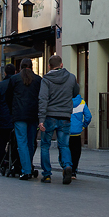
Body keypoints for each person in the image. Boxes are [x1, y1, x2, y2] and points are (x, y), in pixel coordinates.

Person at [38, 55, 78, 184]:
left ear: (49, 66)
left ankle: (47, 174)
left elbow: (43, 99)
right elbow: (75, 92)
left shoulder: (46, 80)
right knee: (64, 145)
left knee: (45, 145)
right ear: (61, 64)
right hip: (65, 116)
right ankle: (67, 166)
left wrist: (41, 119)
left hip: (50, 116)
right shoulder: (71, 77)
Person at [4, 59, 41, 180]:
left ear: (20, 67)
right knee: (31, 142)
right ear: (32, 66)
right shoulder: (38, 80)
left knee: (22, 143)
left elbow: (8, 97)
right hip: (34, 115)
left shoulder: (14, 79)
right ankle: (28, 166)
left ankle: (26, 170)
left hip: (19, 114)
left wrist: (12, 110)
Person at [68, 90, 92, 179]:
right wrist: (83, 126)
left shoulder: (64, 101)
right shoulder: (82, 102)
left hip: (66, 131)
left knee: (65, 150)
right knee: (76, 152)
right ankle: (74, 171)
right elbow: (88, 116)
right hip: (77, 133)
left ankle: (67, 167)